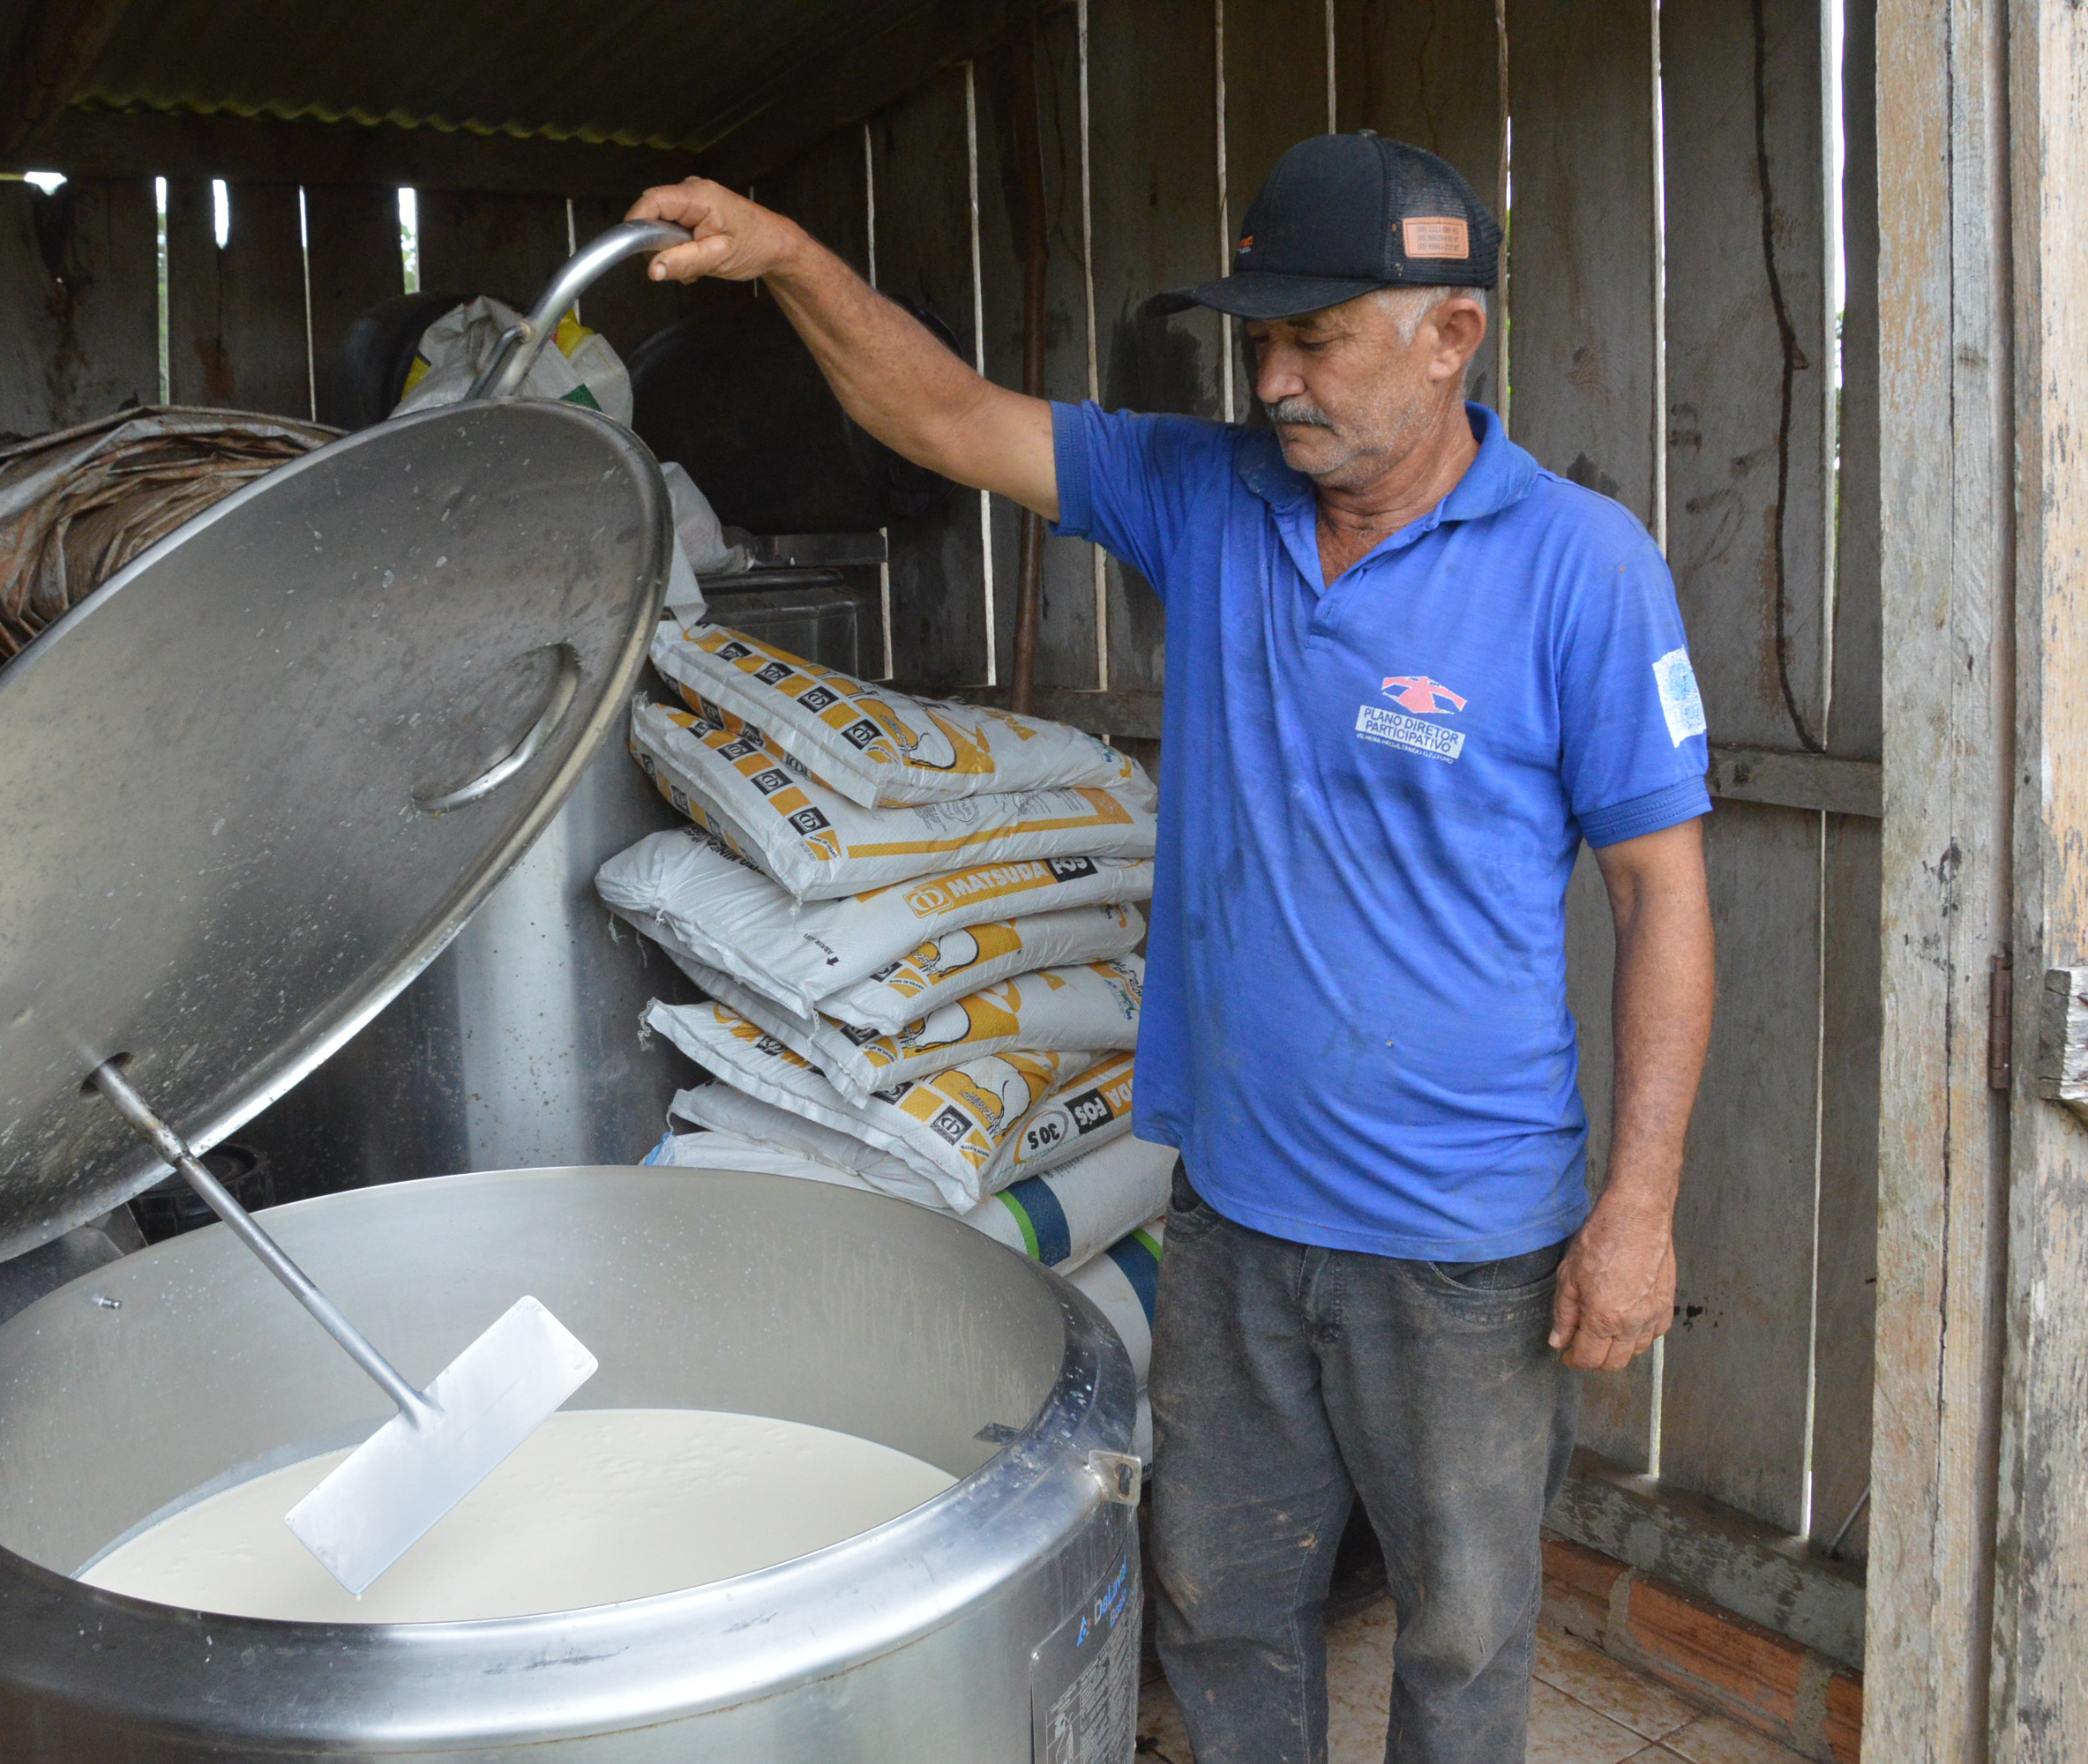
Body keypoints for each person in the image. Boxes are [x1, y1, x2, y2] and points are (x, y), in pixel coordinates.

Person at [627, 131, 1715, 1764]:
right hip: (1233, 1214)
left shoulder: (1581, 568)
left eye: (1316, 341)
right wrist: (787, 256)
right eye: (1258, 342)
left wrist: (1636, 1212)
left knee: (1465, 1631)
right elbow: (942, 416)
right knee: (1217, 1601)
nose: (1273, 383)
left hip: (1461, 1240)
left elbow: (1661, 900)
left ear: (1450, 334)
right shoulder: (1206, 496)